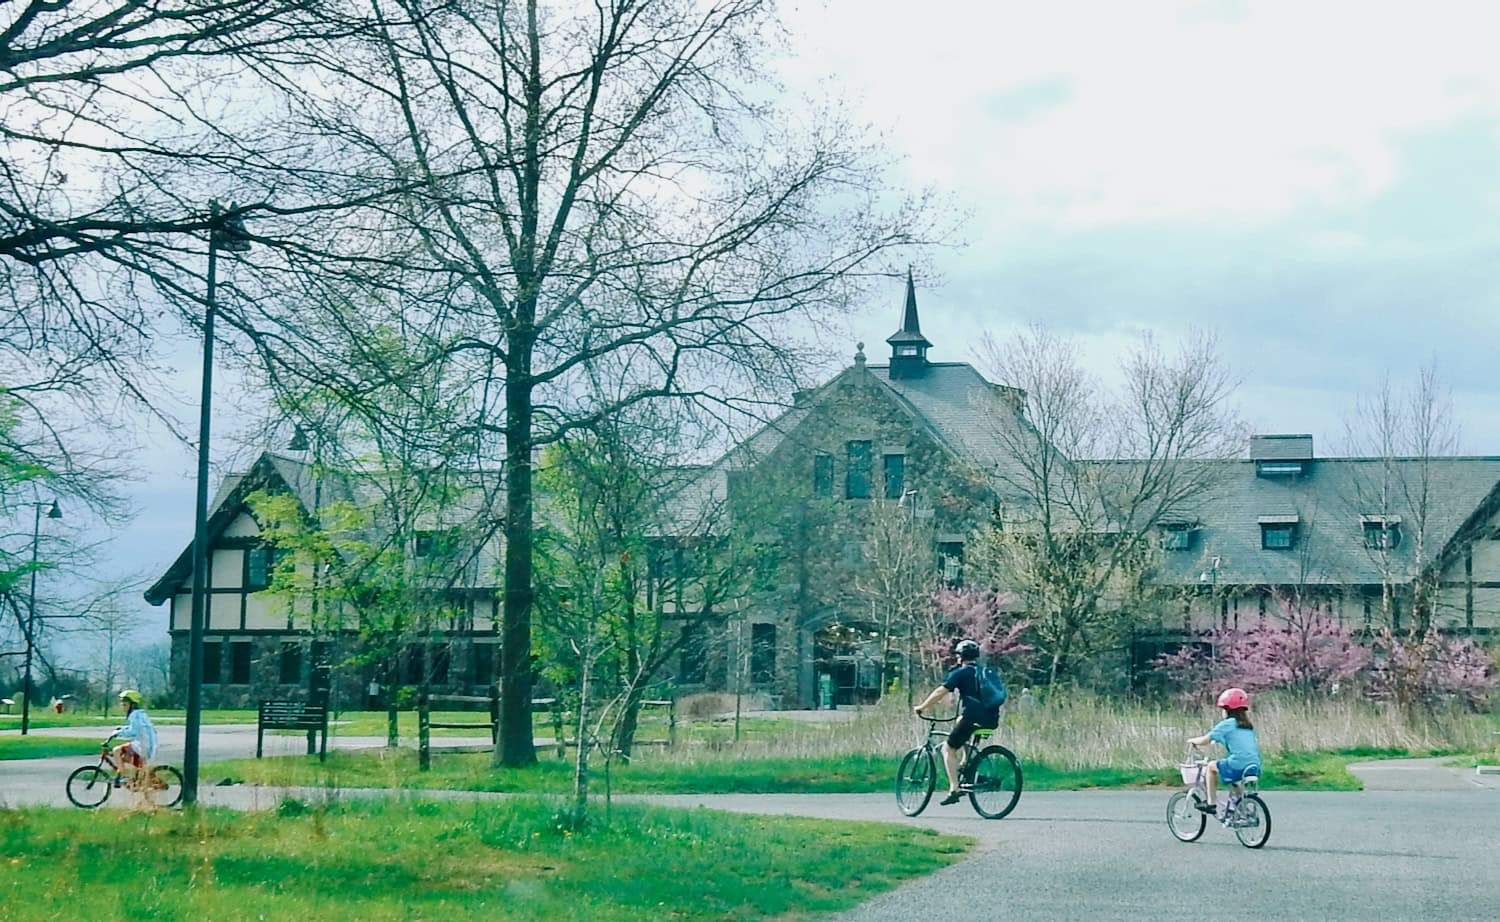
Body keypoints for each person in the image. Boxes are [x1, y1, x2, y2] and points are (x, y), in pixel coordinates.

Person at [913, 639, 1001, 805]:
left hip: (973, 717)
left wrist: (922, 707)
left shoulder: (961, 673)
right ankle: (965, 764)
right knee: (961, 722)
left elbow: (941, 692)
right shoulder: (985, 672)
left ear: (960, 657)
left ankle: (954, 788)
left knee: (948, 748)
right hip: (992, 719)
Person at [1187, 687, 1260, 816]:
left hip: (1237, 763)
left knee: (1211, 767)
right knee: (1232, 776)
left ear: (1227, 709)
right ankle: (1240, 807)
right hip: (1254, 765)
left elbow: (1206, 739)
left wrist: (1193, 741)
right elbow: (1237, 742)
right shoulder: (1247, 726)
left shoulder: (1227, 723)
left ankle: (1211, 803)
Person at [112, 689, 158, 784]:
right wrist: (123, 728)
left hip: (142, 746)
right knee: (125, 757)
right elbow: (136, 728)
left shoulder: (133, 715)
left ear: (132, 705)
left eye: (125, 704)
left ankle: (121, 776)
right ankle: (139, 776)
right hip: (148, 745)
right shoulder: (140, 714)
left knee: (116, 751)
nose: (123, 707)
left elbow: (133, 732)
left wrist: (118, 733)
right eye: (122, 704)